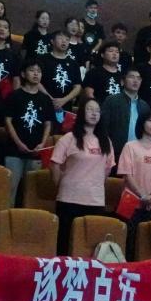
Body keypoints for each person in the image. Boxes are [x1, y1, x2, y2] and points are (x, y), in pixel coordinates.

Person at [50, 96, 115, 255]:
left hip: (95, 200)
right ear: (81, 113)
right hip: (69, 199)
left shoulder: (105, 141)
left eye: (97, 111)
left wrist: (94, 185)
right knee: (65, 246)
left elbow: (107, 170)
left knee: (90, 248)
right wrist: (61, 185)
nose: (94, 113)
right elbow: (55, 164)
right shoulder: (69, 138)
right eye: (90, 109)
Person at [2, 59, 53, 206]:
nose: (36, 74)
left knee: (30, 193)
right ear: (23, 74)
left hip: (35, 152)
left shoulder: (45, 99)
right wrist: (18, 143)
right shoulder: (14, 96)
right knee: (10, 190)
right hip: (14, 151)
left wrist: (42, 144)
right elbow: (8, 122)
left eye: (39, 71)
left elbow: (48, 124)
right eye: (32, 70)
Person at [116, 110, 151, 214]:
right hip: (129, 201)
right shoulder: (129, 146)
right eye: (150, 120)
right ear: (142, 123)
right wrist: (143, 196)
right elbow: (127, 175)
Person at [101, 67, 151, 171]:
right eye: (132, 77)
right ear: (122, 81)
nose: (135, 80)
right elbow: (103, 127)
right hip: (115, 152)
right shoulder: (112, 101)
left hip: (137, 154)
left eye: (138, 78)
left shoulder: (145, 106)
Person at [38, 31, 82, 119]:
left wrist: (64, 100)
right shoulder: (42, 59)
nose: (64, 41)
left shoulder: (73, 63)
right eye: (60, 38)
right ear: (52, 41)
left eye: (67, 39)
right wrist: (50, 99)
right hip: (43, 102)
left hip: (65, 105)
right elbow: (36, 81)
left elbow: (78, 87)